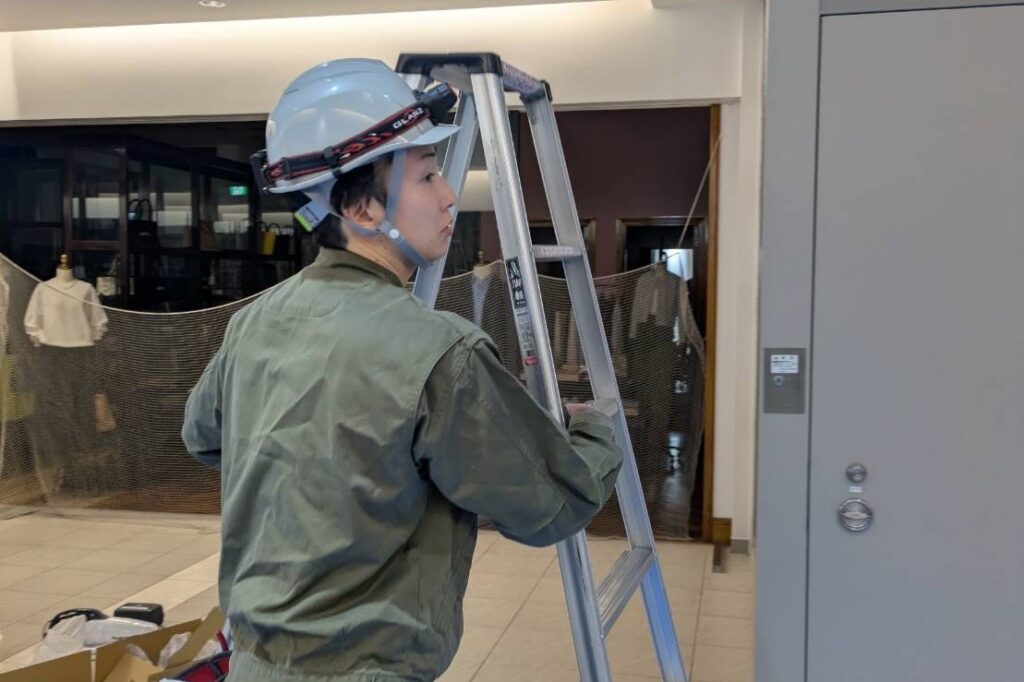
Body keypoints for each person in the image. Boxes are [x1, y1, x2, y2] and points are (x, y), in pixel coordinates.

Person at [182, 58, 622, 682]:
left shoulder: (254, 321)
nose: (448, 195)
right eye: (426, 175)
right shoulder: (441, 351)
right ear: (362, 209)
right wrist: (595, 429)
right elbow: (550, 504)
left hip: (253, 665)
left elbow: (203, 437)